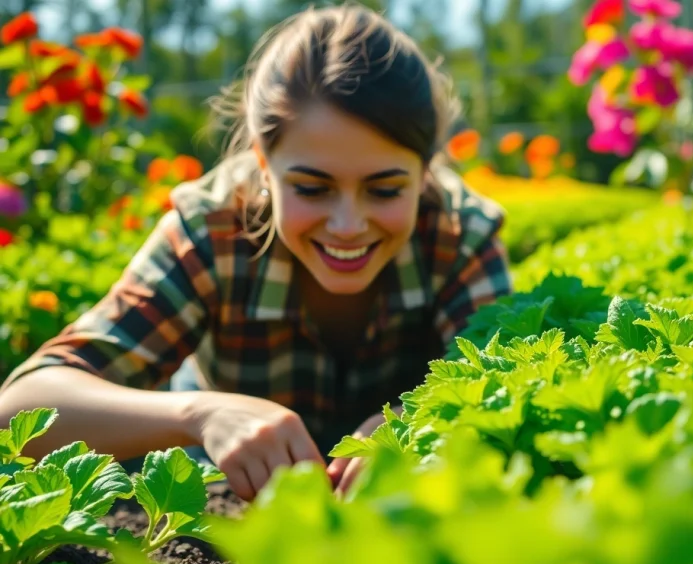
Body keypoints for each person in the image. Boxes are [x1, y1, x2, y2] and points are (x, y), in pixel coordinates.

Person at [0, 3, 512, 501]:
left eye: (384, 190)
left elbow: (505, 382)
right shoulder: (213, 231)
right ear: (263, 165)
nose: (348, 225)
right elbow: (19, 409)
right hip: (227, 493)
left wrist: (415, 422)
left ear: (426, 172)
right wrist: (200, 415)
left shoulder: (457, 232)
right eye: (312, 188)